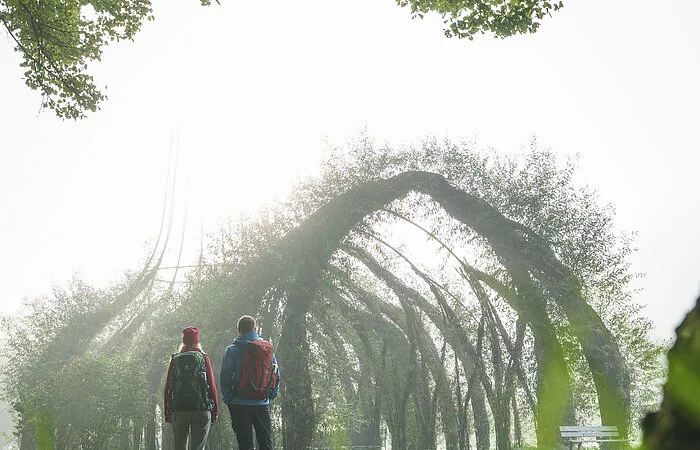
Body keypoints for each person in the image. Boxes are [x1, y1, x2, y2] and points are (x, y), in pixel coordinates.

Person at [220, 315, 280, 450]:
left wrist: (228, 398)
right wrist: (269, 396)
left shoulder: (232, 350)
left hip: (239, 402)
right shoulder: (266, 349)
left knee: (245, 443)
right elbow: (276, 374)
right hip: (261, 401)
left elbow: (225, 377)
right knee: (265, 443)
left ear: (238, 330)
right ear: (255, 329)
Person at [164, 326, 219, 450]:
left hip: (179, 409)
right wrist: (215, 410)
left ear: (183, 342)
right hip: (201, 409)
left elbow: (168, 387)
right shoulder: (204, 358)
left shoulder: (175, 359)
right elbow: (212, 387)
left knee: (179, 446)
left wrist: (167, 411)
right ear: (197, 342)